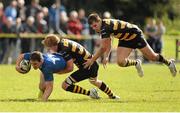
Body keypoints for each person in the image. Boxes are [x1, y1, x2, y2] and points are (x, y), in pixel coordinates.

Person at [84, 13, 177, 77]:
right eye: (92, 27)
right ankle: (137, 62)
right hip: (125, 39)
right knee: (120, 62)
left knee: (152, 57)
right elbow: (109, 42)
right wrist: (107, 56)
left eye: (95, 25)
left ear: (99, 20)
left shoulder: (105, 27)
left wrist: (92, 60)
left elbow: (103, 47)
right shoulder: (102, 27)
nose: (94, 28)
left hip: (135, 35)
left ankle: (169, 63)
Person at [42, 34, 119, 99]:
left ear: (53, 45)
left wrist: (57, 72)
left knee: (65, 85)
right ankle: (112, 96)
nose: (50, 50)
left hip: (87, 67)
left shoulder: (63, 50)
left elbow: (70, 68)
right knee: (94, 81)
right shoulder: (63, 42)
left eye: (49, 48)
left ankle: (90, 94)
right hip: (93, 64)